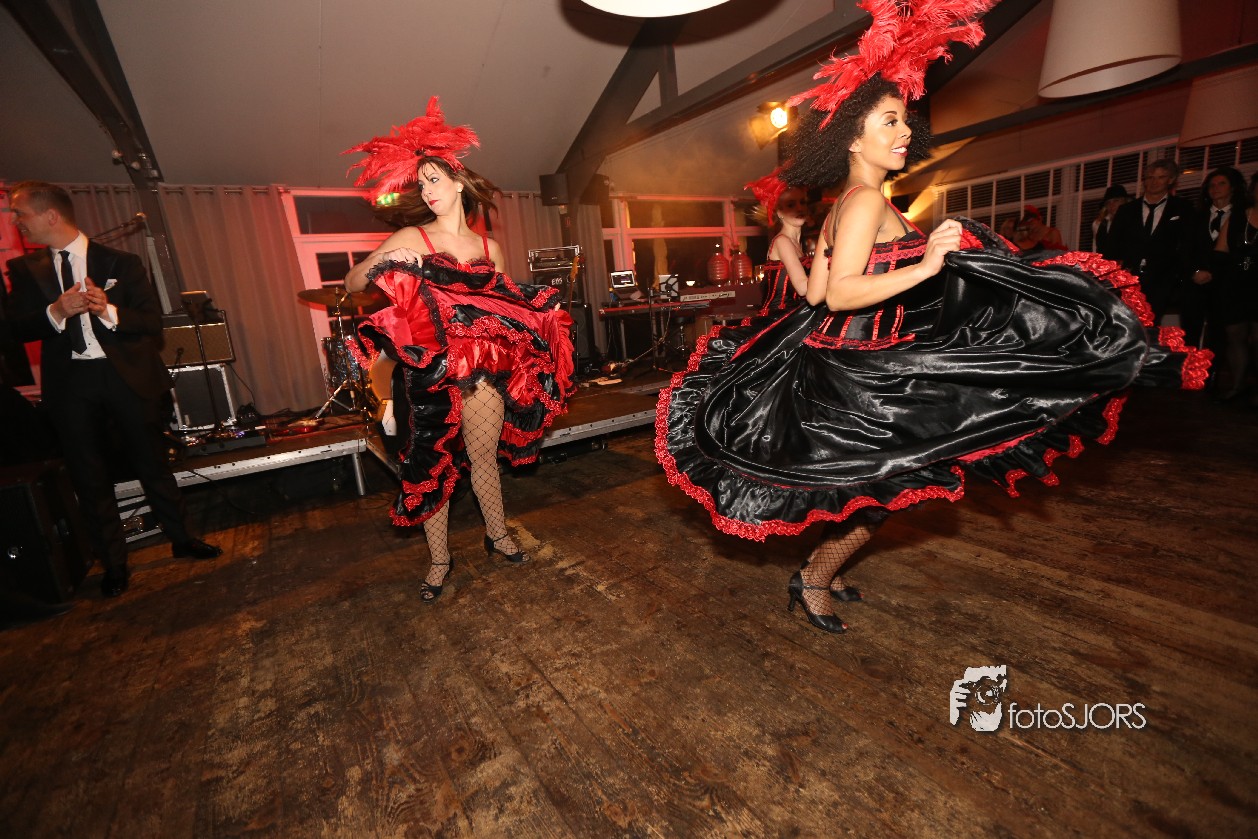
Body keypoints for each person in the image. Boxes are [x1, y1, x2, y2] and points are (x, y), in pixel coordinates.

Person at [655, 0, 1211, 635]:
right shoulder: (864, 202)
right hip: (861, 368)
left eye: (904, 121)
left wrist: (937, 274)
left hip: (862, 358)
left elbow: (816, 296)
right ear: (851, 137)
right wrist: (926, 266)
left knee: (877, 487)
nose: (903, 132)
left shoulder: (853, 202)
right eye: (888, 121)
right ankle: (812, 578)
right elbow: (840, 295)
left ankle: (819, 573)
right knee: (883, 488)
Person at [343, 98, 576, 603]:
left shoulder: (490, 250)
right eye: (421, 183)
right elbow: (352, 283)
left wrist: (543, 325)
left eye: (434, 180)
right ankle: (439, 560)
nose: (427, 191)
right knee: (435, 465)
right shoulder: (412, 236)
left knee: (484, 458)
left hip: (483, 373)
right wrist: (385, 261)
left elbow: (506, 312)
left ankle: (498, 535)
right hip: (430, 373)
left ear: (459, 183)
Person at [4, 181, 221, 598]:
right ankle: (114, 563)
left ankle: (183, 538)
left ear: (50, 215)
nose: (16, 222)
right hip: (71, 384)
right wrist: (55, 311)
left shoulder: (121, 261)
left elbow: (152, 323)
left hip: (126, 377)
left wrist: (110, 311)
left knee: (152, 463)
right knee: (89, 475)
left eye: (20, 213)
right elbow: (13, 329)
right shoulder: (25, 270)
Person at [1102, 159, 1193, 323]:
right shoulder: (1127, 210)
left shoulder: (1182, 208)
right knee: (1126, 322)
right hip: (1129, 278)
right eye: (1150, 177)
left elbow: (1188, 243)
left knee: (1150, 323)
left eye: (1160, 177)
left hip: (1163, 279)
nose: (1154, 182)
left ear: (1171, 180)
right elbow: (1113, 245)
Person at [1184, 167, 1246, 356]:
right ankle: (1189, 368)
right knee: (1190, 332)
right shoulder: (1194, 217)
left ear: (1233, 188)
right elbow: (1184, 250)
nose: (1215, 188)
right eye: (1211, 185)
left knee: (1220, 334)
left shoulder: (1242, 217)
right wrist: (1195, 272)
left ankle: (1213, 371)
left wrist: (1214, 273)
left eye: (1221, 184)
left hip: (1227, 285)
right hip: (1194, 284)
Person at [1212, 171, 1258, 401]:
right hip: (1236, 283)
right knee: (1235, 334)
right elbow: (1221, 250)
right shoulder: (1238, 216)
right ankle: (1237, 386)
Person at [753, 185, 811, 315]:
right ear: (779, 212)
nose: (799, 208)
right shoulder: (782, 241)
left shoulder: (798, 244)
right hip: (780, 317)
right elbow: (803, 288)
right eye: (791, 205)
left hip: (795, 314)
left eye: (802, 202)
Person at [1092, 184, 1130, 255]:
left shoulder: (1134, 221)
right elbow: (1098, 249)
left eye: (1116, 201)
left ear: (1125, 201)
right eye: (1108, 202)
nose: (1111, 205)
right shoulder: (1100, 224)